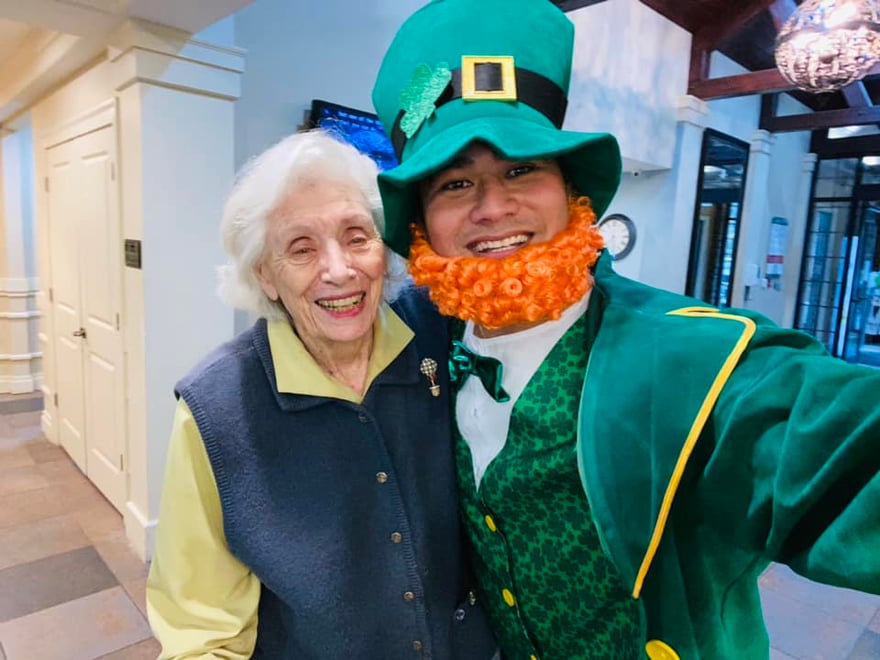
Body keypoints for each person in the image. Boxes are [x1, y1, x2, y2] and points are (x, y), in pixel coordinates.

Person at [369, 1, 880, 658]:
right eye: (455, 184)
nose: (492, 208)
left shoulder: (693, 359)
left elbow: (838, 452)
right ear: (422, 227)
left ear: (571, 192)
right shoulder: (427, 344)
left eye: (521, 170)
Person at [145, 130, 497, 659]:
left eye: (357, 237)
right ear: (265, 275)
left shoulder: (440, 329)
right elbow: (200, 630)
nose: (338, 270)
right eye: (301, 248)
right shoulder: (216, 409)